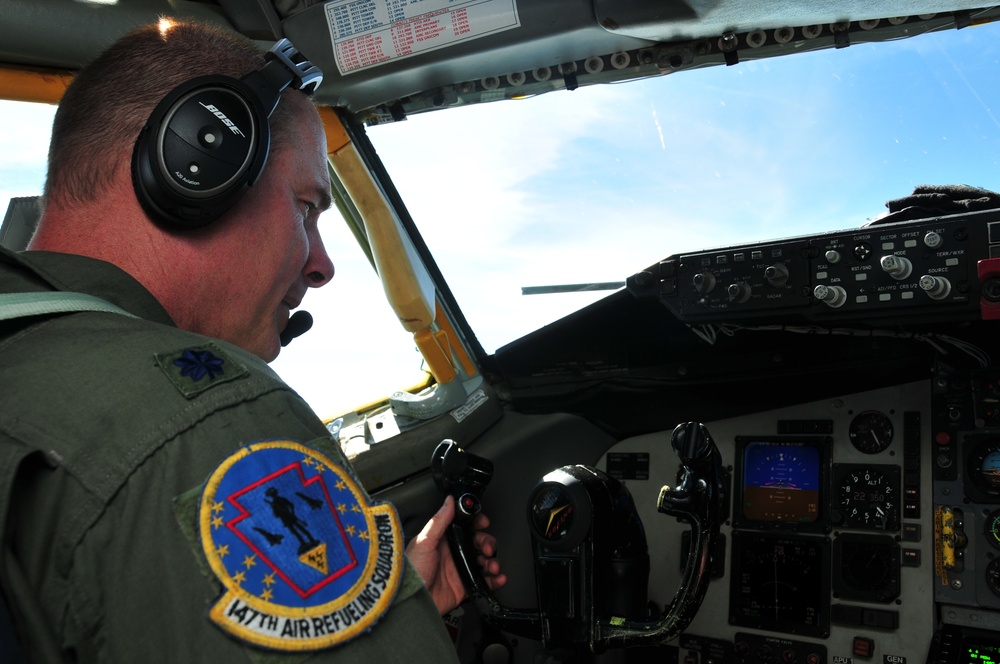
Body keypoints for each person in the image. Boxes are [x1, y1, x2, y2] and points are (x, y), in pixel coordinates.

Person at [0, 19, 505, 663]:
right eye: (306, 208)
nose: (321, 264)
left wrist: (380, 622)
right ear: (199, 162)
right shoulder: (200, 419)